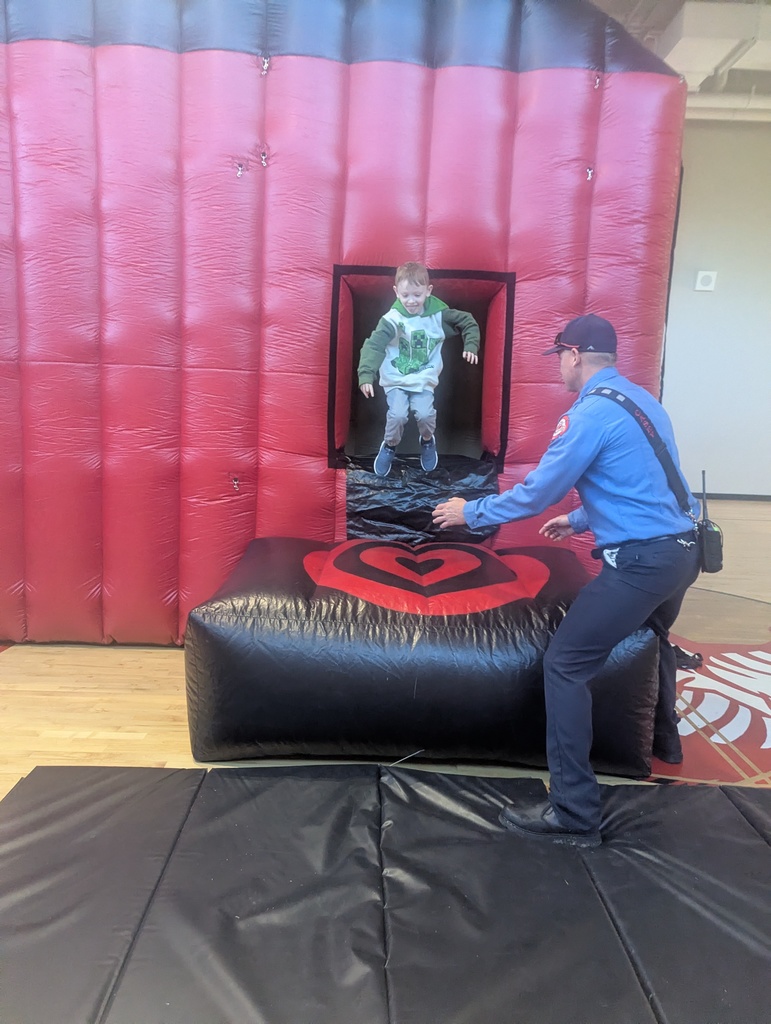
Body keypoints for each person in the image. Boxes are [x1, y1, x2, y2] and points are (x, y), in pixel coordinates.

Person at [432, 314, 700, 848]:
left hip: (645, 561)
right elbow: (650, 483)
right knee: (654, 635)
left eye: (559, 357)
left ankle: (574, 811)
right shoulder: (643, 402)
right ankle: (665, 743)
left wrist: (472, 512)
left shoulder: (588, 416)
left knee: (565, 665)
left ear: (574, 355)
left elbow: (537, 492)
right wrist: (579, 520)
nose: (558, 368)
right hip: (683, 552)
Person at [357, 262, 480, 477]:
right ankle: (389, 445)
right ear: (396, 293)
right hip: (396, 378)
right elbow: (373, 345)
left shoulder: (438, 315)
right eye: (406, 295)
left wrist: (471, 345)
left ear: (428, 291)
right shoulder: (392, 320)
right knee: (397, 416)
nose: (411, 301)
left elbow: (468, 321)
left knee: (424, 415)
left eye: (417, 294)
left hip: (423, 378)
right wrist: (366, 373)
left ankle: (427, 441)